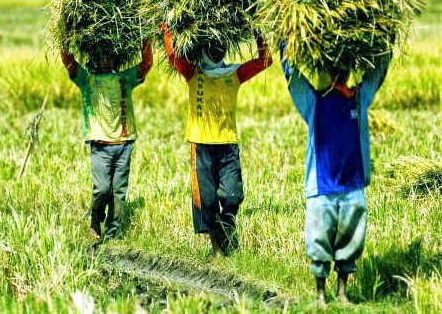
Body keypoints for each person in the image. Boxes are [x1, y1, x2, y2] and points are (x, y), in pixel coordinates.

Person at [280, 42, 392, 305]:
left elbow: (378, 73)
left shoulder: (358, 98)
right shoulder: (314, 102)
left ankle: (342, 293)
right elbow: (292, 76)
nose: (340, 74)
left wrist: (388, 40)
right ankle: (320, 294)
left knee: (351, 242)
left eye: (343, 70)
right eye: (336, 70)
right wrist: (284, 44)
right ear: (329, 73)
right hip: (322, 187)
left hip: (352, 186)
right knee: (319, 243)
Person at [161, 24, 272, 257]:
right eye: (212, 46)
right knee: (208, 200)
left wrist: (258, 31)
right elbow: (173, 57)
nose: (216, 50)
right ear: (203, 48)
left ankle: (227, 225)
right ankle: (218, 249)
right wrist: (167, 30)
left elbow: (265, 61)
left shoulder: (234, 74)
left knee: (232, 196)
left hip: (228, 143)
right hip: (200, 143)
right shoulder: (193, 73)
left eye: (220, 46)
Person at [61, 39, 153, 244]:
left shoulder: (125, 78)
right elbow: (69, 62)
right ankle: (95, 217)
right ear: (94, 58)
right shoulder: (87, 79)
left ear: (115, 58)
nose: (105, 60)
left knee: (118, 192)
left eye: (109, 56)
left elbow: (146, 65)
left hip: (123, 142)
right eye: (101, 56)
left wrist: (146, 41)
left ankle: (112, 234)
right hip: (99, 145)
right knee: (102, 189)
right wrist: (64, 37)